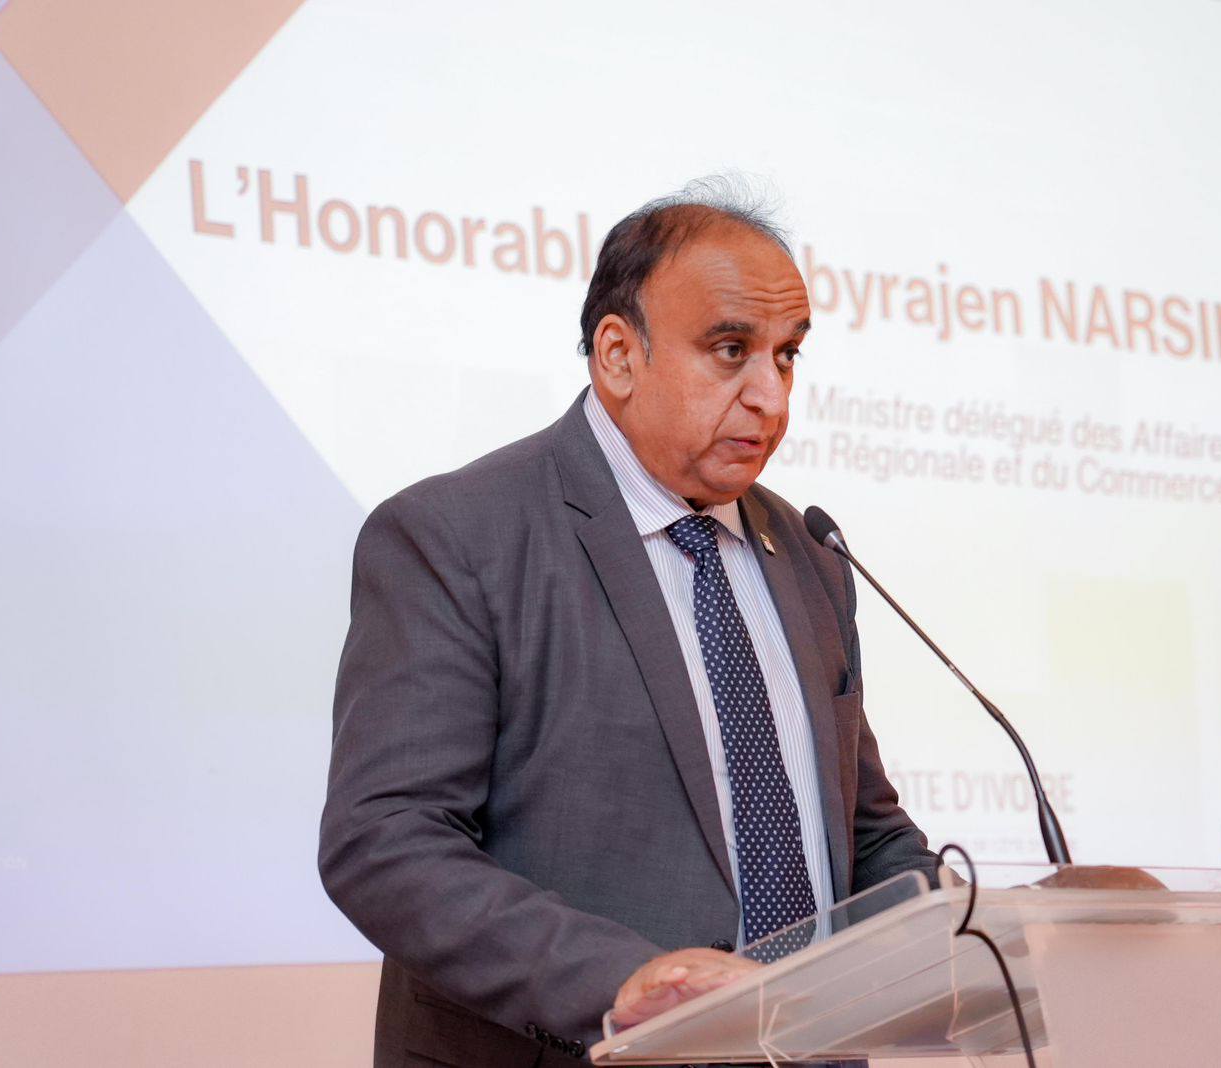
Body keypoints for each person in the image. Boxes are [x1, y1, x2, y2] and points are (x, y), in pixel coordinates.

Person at [318, 177, 937, 1066]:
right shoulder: (457, 536)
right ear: (617, 356)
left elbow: (862, 834)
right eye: (731, 350)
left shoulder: (806, 555)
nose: (772, 396)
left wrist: (985, 930)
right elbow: (385, 842)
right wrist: (622, 982)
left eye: (788, 355)